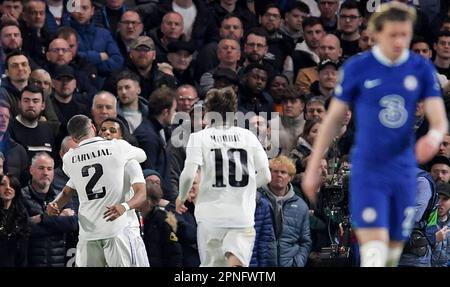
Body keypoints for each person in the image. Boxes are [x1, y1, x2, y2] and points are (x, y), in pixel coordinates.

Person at [302, 2, 449, 267]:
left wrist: (434, 136)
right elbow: (334, 118)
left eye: (405, 34)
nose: (399, 41)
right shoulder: (358, 67)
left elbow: (438, 118)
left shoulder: (421, 68)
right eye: (393, 34)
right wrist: (314, 164)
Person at [176, 87, 271, 267]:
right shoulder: (248, 136)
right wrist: (246, 188)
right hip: (241, 215)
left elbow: (188, 173)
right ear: (234, 112)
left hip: (209, 215)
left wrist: (181, 197)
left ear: (208, 113)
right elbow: (266, 176)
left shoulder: (199, 137)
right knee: (236, 263)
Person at [46, 114, 147, 267]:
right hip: (117, 230)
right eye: (104, 129)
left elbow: (68, 190)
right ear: (94, 127)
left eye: (112, 130)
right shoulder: (120, 149)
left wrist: (55, 204)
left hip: (89, 232)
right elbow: (143, 155)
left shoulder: (69, 159)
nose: (107, 133)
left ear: (73, 138)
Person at [0, 174, 30, 267]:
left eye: (12, 185)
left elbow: (23, 253)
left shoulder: (22, 214)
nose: (8, 188)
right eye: (3, 184)